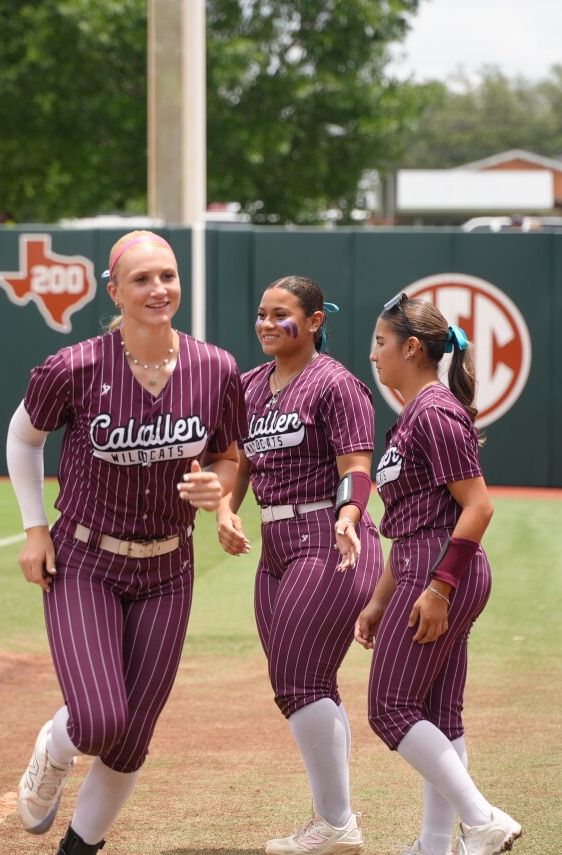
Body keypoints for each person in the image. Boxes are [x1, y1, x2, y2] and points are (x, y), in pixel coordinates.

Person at [6, 230, 245, 855]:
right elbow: (22, 438)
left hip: (169, 567)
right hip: (85, 558)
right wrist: (35, 529)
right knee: (97, 720)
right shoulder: (75, 366)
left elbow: (228, 457)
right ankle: (51, 753)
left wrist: (217, 496)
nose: (157, 289)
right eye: (141, 280)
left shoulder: (215, 368)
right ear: (114, 291)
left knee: (134, 734)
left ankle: (79, 849)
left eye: (166, 276)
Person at [216, 276, 382, 855]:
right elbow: (237, 463)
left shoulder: (335, 383)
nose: (264, 324)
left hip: (328, 536)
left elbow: (356, 463)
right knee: (304, 684)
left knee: (296, 677)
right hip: (275, 545)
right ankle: (333, 821)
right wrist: (225, 511)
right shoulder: (247, 387)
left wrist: (350, 512)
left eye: (280, 314)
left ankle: (337, 825)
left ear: (314, 321)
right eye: (260, 314)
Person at [354, 292, 521, 855]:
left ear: (412, 347)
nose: (373, 354)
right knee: (439, 716)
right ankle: (434, 845)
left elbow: (479, 506)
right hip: (422, 564)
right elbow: (407, 522)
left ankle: (481, 819)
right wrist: (380, 600)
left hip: (440, 568)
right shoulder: (417, 414)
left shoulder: (434, 410)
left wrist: (438, 587)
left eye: (381, 342)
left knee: (389, 709)